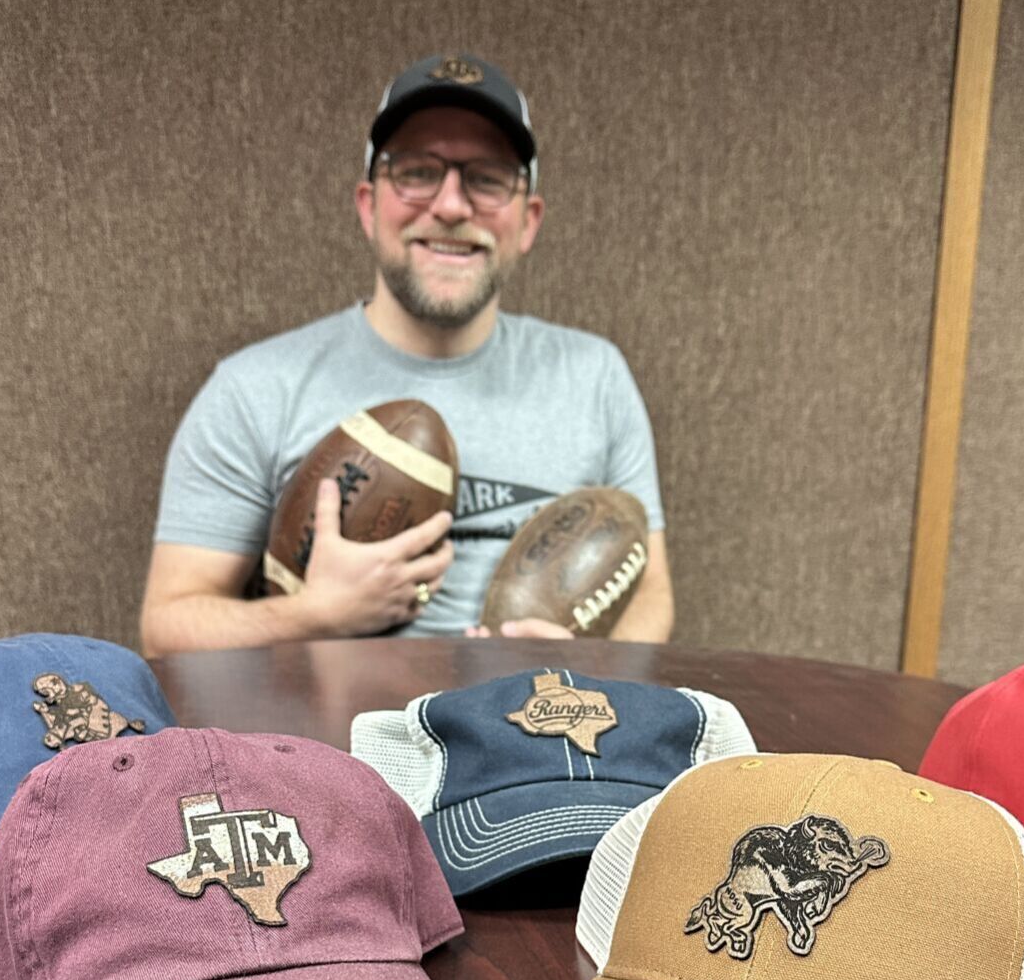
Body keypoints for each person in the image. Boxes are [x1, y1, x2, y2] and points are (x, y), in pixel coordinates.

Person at [141, 54, 675, 654]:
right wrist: (315, 616)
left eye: (488, 177)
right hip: (329, 739)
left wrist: (597, 669)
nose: (450, 206)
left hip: (536, 733)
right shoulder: (255, 387)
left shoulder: (594, 375)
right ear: (370, 206)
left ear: (528, 221)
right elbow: (168, 629)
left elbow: (652, 591)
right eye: (418, 172)